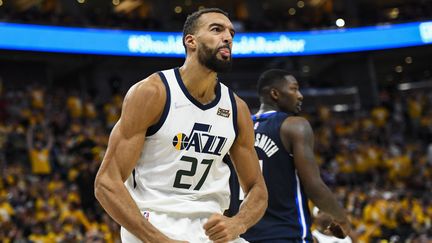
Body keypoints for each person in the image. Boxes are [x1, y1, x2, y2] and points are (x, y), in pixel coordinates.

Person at [94, 8, 268, 243]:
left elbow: (257, 188)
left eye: (231, 33)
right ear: (191, 41)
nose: (227, 37)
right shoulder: (153, 93)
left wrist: (239, 222)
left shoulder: (237, 109)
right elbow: (106, 183)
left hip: (210, 225)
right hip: (153, 222)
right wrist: (157, 239)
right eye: (217, 30)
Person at [227, 69, 351, 242]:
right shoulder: (295, 126)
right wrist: (341, 218)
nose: (300, 95)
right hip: (285, 233)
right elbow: (313, 184)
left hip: (241, 235)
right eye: (294, 89)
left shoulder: (237, 128)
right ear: (275, 94)